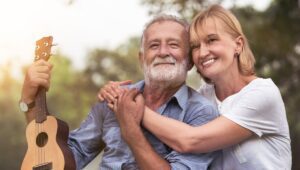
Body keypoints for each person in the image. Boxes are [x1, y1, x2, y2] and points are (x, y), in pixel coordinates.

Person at [99, 5, 292, 170]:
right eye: (195, 46)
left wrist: (131, 108)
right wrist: (117, 93)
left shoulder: (262, 94)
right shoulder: (201, 99)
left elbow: (190, 140)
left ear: (238, 45)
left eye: (211, 40)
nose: (202, 52)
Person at [20, 14, 220, 169]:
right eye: (154, 45)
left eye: (174, 44)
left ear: (190, 61)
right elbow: (65, 159)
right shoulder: (112, 97)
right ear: (142, 59)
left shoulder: (201, 113)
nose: (163, 52)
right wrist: (30, 102)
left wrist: (130, 128)